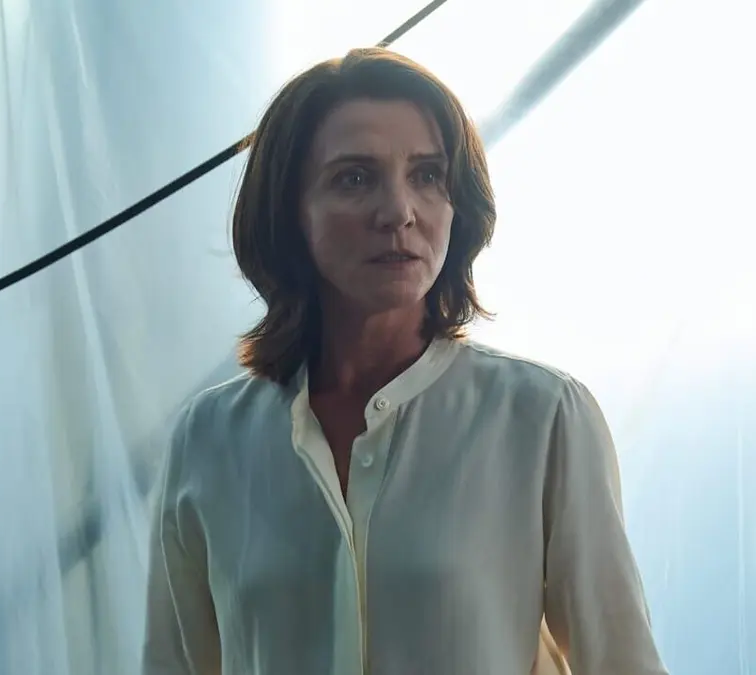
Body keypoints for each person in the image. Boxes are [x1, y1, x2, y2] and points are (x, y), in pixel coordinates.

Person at [143, 47, 667, 675]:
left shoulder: (543, 417)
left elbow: (623, 663)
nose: (399, 212)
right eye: (354, 178)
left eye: (428, 175)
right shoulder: (207, 439)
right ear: (288, 211)